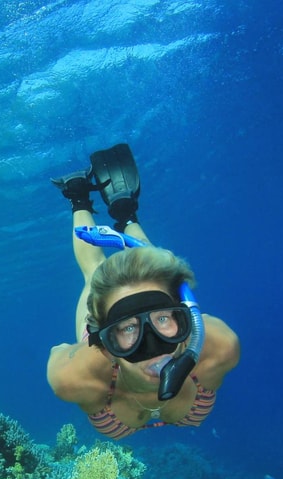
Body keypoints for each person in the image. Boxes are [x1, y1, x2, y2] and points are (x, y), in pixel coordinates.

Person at [46, 143, 241, 440]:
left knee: (149, 262)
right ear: (101, 339)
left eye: (163, 318)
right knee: (93, 270)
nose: (152, 346)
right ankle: (79, 197)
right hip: (99, 355)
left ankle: (125, 215)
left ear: (187, 318)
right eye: (126, 328)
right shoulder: (75, 378)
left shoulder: (220, 349)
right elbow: (58, 354)